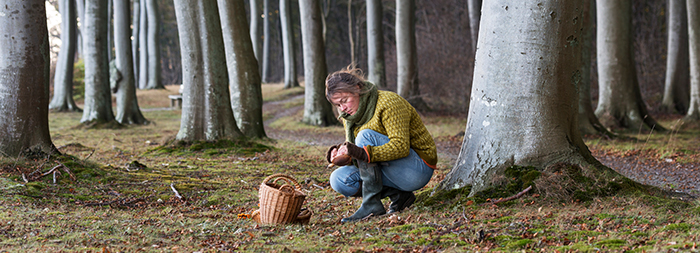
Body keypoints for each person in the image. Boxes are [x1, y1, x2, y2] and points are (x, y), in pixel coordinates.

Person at [324, 67, 437, 222]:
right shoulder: (349, 117)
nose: (342, 109)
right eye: (338, 105)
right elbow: (364, 160)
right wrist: (345, 156)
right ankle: (400, 196)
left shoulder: (388, 102)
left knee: (365, 135)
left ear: (357, 88)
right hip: (390, 170)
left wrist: (360, 152)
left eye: (344, 101)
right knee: (339, 179)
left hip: (417, 169)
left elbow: (400, 147)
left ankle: (371, 205)